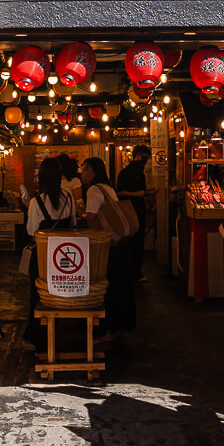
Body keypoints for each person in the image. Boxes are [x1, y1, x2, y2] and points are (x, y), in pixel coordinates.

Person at [24, 158, 77, 349]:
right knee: (63, 294)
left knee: (39, 295)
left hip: (42, 257)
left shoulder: (36, 202)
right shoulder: (69, 198)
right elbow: (73, 225)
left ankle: (37, 337)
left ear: (42, 178)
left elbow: (31, 231)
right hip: (65, 257)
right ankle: (67, 333)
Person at [81, 157, 136, 330]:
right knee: (119, 287)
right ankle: (120, 328)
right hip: (120, 244)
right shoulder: (108, 188)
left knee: (108, 288)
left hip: (108, 245)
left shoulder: (94, 190)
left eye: (85, 170)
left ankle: (107, 331)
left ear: (94, 172)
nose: (82, 173)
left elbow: (91, 216)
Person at [115, 145, 151, 277]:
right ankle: (133, 272)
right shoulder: (126, 172)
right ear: (138, 155)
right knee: (134, 241)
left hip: (137, 209)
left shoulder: (138, 172)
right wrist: (139, 194)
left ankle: (135, 271)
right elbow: (120, 192)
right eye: (145, 156)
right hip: (130, 210)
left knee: (136, 241)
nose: (146, 160)